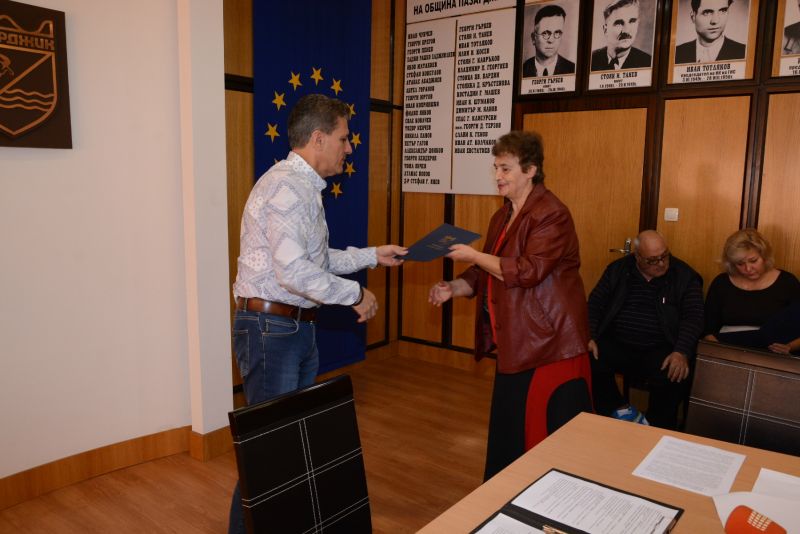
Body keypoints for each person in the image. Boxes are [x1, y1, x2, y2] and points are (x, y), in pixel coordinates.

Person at [228, 93, 406, 533]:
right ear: (318, 139)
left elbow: (315, 261)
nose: (349, 147)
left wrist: (371, 255)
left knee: (287, 445)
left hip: (292, 328)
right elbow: (293, 272)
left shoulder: (303, 187)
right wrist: (354, 294)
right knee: (268, 450)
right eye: (344, 139)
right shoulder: (287, 187)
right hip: (272, 329)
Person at [428, 131, 592, 481]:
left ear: (531, 170)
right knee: (510, 429)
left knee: (540, 431)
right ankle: (506, 493)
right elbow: (486, 270)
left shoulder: (552, 213)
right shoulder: (502, 216)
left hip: (549, 342)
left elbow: (528, 271)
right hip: (518, 340)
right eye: (496, 168)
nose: (498, 176)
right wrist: (454, 287)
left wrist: (475, 255)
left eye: (506, 169)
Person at [587, 230, 704, 430]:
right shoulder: (618, 269)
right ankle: (619, 411)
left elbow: (694, 317)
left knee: (676, 371)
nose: (661, 263)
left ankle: (656, 426)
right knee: (589, 355)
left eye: (664, 256)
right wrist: (589, 335)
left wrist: (681, 351)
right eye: (653, 260)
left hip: (661, 347)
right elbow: (595, 303)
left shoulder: (685, 276)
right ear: (637, 257)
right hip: (619, 343)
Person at [704, 229, 800, 354]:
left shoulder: (787, 282)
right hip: (726, 350)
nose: (748, 269)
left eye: (753, 261)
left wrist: (790, 347)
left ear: (764, 256)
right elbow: (708, 329)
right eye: (740, 264)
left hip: (772, 353)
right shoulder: (721, 283)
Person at [675, 0, 746, 64]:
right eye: (707, 12)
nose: (715, 21)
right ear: (693, 17)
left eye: (722, 11)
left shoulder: (744, 52)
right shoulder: (677, 53)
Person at [590, 0, 652, 70]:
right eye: (619, 23)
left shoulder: (647, 62)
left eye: (632, 21)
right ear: (605, 30)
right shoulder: (591, 60)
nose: (626, 30)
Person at [522, 4, 575, 77]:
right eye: (545, 33)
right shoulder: (522, 70)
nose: (551, 40)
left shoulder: (573, 69)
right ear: (533, 38)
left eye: (557, 32)